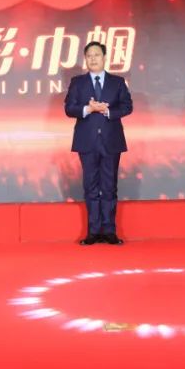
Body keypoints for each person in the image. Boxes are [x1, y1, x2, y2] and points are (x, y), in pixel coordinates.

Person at [64, 41, 134, 245]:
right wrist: (88, 109)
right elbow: (69, 108)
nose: (93, 59)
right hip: (87, 141)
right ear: (85, 59)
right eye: (89, 56)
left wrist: (108, 111)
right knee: (91, 187)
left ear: (104, 57)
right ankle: (93, 232)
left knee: (110, 187)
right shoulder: (77, 82)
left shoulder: (117, 82)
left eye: (96, 55)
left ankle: (110, 231)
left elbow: (127, 106)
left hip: (111, 140)